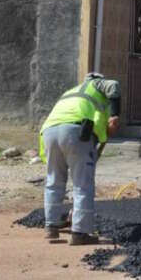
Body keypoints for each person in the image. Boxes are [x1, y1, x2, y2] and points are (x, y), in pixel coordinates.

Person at [39, 73, 121, 245]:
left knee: (54, 182)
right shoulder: (98, 85)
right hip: (75, 131)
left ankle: (51, 227)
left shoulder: (72, 92)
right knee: (82, 184)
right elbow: (114, 85)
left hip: (49, 132)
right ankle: (80, 233)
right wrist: (115, 115)